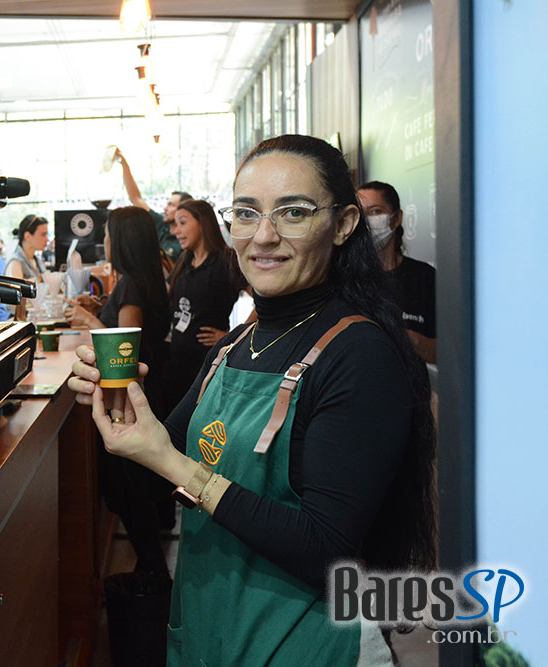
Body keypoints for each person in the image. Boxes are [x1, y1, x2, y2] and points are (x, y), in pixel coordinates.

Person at [68, 135, 436, 666]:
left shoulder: (358, 353)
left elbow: (327, 547)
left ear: (344, 224)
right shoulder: (235, 343)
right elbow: (157, 469)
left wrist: (170, 461)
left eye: (293, 212)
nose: (264, 236)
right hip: (212, 628)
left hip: (305, 643)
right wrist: (126, 407)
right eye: (246, 213)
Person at [64, 206, 172, 579]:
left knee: (128, 489)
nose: (105, 240)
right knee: (137, 484)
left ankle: (151, 572)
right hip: (152, 390)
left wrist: (90, 321)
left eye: (109, 234)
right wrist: (99, 308)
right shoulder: (144, 277)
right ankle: (151, 563)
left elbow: (126, 350)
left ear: (122, 240)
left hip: (131, 399)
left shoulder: (130, 283)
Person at [164, 199, 248, 415]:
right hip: (176, 362)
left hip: (208, 363)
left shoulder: (226, 260)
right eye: (175, 224)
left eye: (182, 223)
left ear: (202, 223)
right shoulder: (184, 261)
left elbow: (264, 300)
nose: (177, 231)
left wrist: (236, 336)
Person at [357, 181, 437, 364]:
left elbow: (446, 351)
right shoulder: (345, 278)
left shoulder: (425, 277)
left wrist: (408, 338)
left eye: (375, 211)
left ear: (396, 217)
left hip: (412, 388)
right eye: (361, 214)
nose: (367, 221)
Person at [113, 147, 191, 266]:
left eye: (171, 205)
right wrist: (123, 163)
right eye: (166, 204)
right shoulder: (161, 224)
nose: (165, 208)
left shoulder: (187, 239)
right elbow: (135, 198)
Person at [4, 214, 48, 320]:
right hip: (21, 322)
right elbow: (14, 302)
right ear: (28, 236)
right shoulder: (15, 263)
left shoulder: (37, 260)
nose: (47, 239)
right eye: (43, 234)